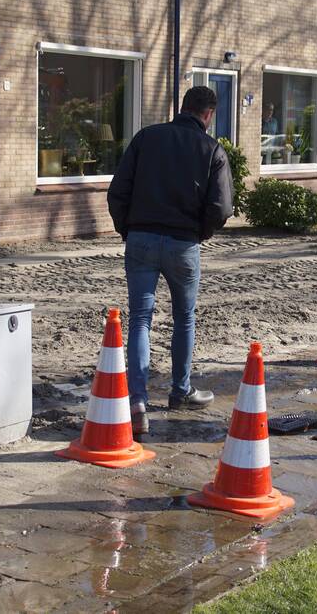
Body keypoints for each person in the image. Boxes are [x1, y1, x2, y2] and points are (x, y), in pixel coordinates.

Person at [107, 86, 234, 435]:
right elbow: (221, 207)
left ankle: (137, 400)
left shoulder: (146, 138)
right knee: (184, 318)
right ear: (208, 114)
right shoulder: (212, 149)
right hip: (183, 244)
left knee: (141, 319)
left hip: (141, 239)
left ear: (184, 108)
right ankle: (180, 391)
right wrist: (200, 232)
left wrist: (128, 229)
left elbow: (118, 191)